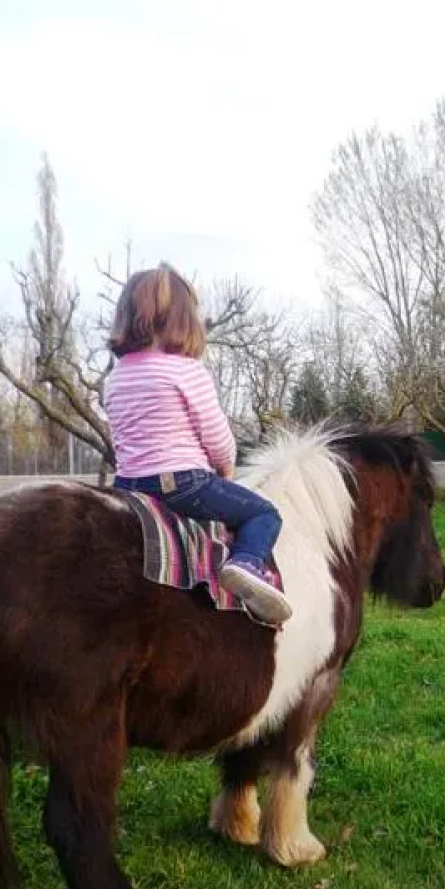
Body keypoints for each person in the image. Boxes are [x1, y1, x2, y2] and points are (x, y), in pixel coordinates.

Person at [103, 264, 293, 624]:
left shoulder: (117, 377)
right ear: (184, 319)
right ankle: (246, 565)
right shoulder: (187, 371)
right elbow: (217, 438)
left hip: (128, 486)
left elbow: (120, 437)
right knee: (263, 513)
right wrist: (225, 469)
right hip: (182, 484)